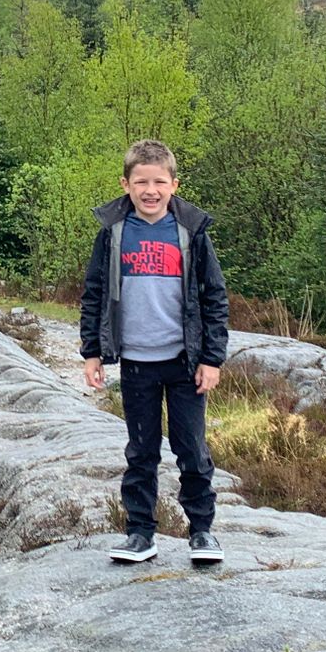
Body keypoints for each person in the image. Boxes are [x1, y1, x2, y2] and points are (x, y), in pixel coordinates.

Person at [79, 139, 230, 567]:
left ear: (174, 184)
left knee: (192, 450)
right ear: (125, 184)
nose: (150, 190)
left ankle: (201, 532)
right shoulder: (112, 235)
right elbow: (94, 294)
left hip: (185, 363)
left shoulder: (190, 233)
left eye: (159, 182)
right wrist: (92, 353)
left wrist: (211, 359)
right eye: (141, 182)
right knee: (141, 452)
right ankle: (140, 534)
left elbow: (214, 296)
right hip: (137, 363)